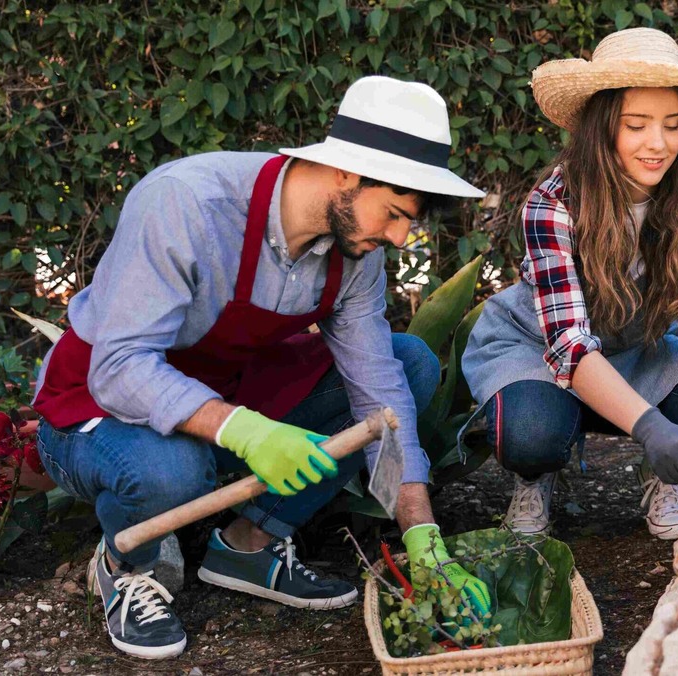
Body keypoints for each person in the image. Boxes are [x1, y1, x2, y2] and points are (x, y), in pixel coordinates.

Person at [32, 76, 491, 659]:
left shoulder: (352, 250)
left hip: (223, 398)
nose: (399, 237)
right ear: (347, 173)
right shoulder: (188, 203)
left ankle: (249, 546)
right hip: (94, 410)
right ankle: (127, 567)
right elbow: (119, 367)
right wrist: (249, 431)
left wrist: (422, 533)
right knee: (173, 471)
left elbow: (380, 391)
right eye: (395, 214)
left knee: (411, 363)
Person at [461, 28, 678, 541]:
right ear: (603, 128)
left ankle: (663, 471)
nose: (658, 144)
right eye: (637, 125)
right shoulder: (553, 201)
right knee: (528, 436)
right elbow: (568, 342)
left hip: (641, 347)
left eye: (673, 126)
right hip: (537, 347)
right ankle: (536, 476)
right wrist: (650, 427)